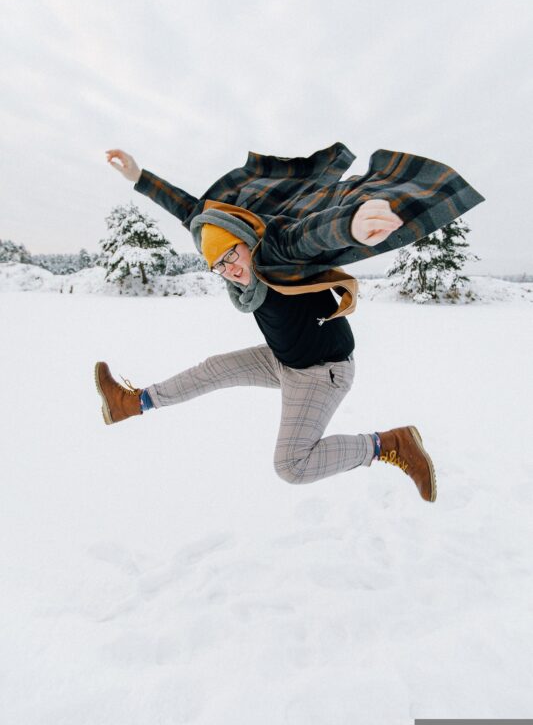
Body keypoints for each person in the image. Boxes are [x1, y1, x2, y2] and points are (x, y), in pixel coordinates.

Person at [95, 143, 484, 502]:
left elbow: (310, 236)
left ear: (245, 240)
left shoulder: (276, 250)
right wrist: (140, 177)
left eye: (231, 256)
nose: (228, 269)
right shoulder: (239, 271)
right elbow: (191, 211)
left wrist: (350, 224)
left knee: (292, 466)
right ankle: (133, 402)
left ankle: (391, 444)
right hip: (284, 360)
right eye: (218, 266)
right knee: (214, 369)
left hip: (322, 371)